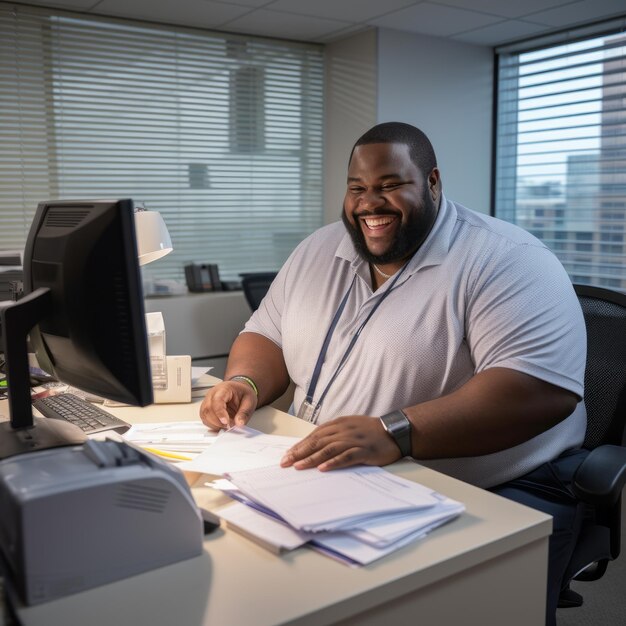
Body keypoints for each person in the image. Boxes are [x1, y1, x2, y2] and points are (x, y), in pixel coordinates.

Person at [200, 122, 587, 625]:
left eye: (389, 185)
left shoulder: (507, 260)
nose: (369, 203)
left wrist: (396, 432)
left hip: (483, 484)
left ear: (432, 182)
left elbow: (537, 391)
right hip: (336, 473)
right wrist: (244, 382)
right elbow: (266, 334)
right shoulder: (319, 250)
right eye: (357, 188)